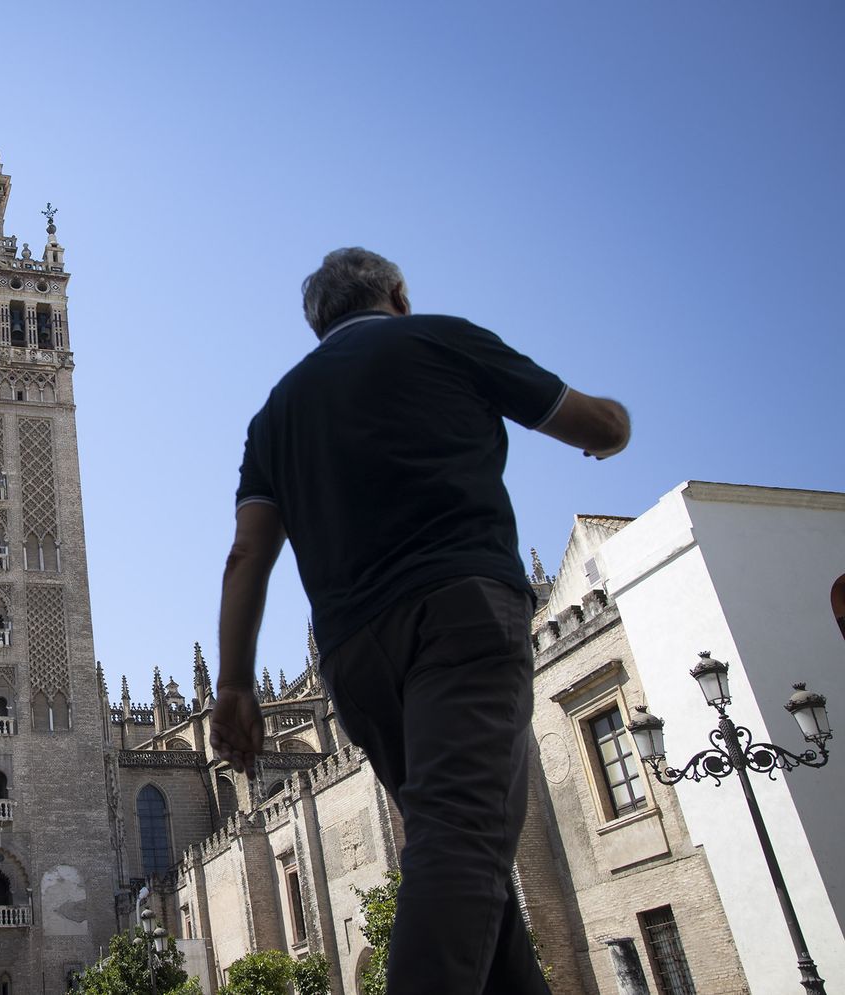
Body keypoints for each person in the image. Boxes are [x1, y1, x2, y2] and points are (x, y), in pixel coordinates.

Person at [212, 248, 628, 994]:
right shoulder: (441, 338)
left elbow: (247, 554)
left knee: (464, 856)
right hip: (462, 615)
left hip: (355, 662)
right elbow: (595, 424)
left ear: (319, 322)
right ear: (397, 294)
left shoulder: (275, 414)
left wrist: (235, 686)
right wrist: (613, 425)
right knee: (463, 840)